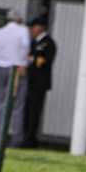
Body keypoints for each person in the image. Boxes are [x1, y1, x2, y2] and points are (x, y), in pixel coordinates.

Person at [0, 10, 33, 148]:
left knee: (0, 105)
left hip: (2, 69)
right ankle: (16, 140)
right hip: (18, 69)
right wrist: (25, 62)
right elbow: (26, 49)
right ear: (19, 20)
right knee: (18, 106)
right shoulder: (23, 31)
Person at [23, 13, 57, 147]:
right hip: (30, 81)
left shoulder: (48, 43)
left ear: (41, 28)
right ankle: (26, 136)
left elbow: (45, 61)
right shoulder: (34, 42)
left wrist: (32, 59)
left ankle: (30, 139)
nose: (31, 30)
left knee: (34, 111)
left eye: (34, 27)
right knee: (27, 110)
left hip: (39, 83)